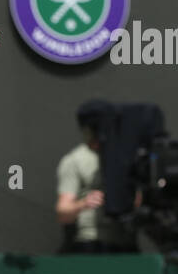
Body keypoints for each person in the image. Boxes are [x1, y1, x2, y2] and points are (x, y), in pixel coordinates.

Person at [55, 104, 139, 253]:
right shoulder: (75, 160)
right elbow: (63, 213)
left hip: (125, 245)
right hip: (90, 244)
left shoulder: (127, 158)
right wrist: (84, 203)